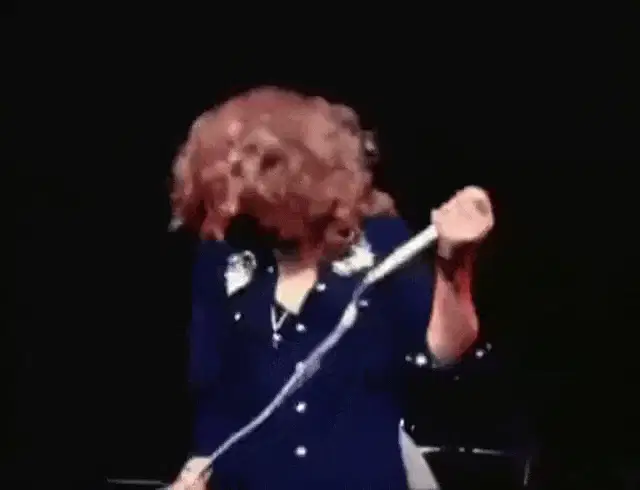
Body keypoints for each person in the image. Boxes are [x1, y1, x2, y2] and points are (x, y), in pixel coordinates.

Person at [168, 87, 494, 489]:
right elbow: (215, 394)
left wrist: (455, 265)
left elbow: (443, 351)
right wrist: (197, 470)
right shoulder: (222, 258)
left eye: (249, 194)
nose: (233, 211)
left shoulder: (381, 242)